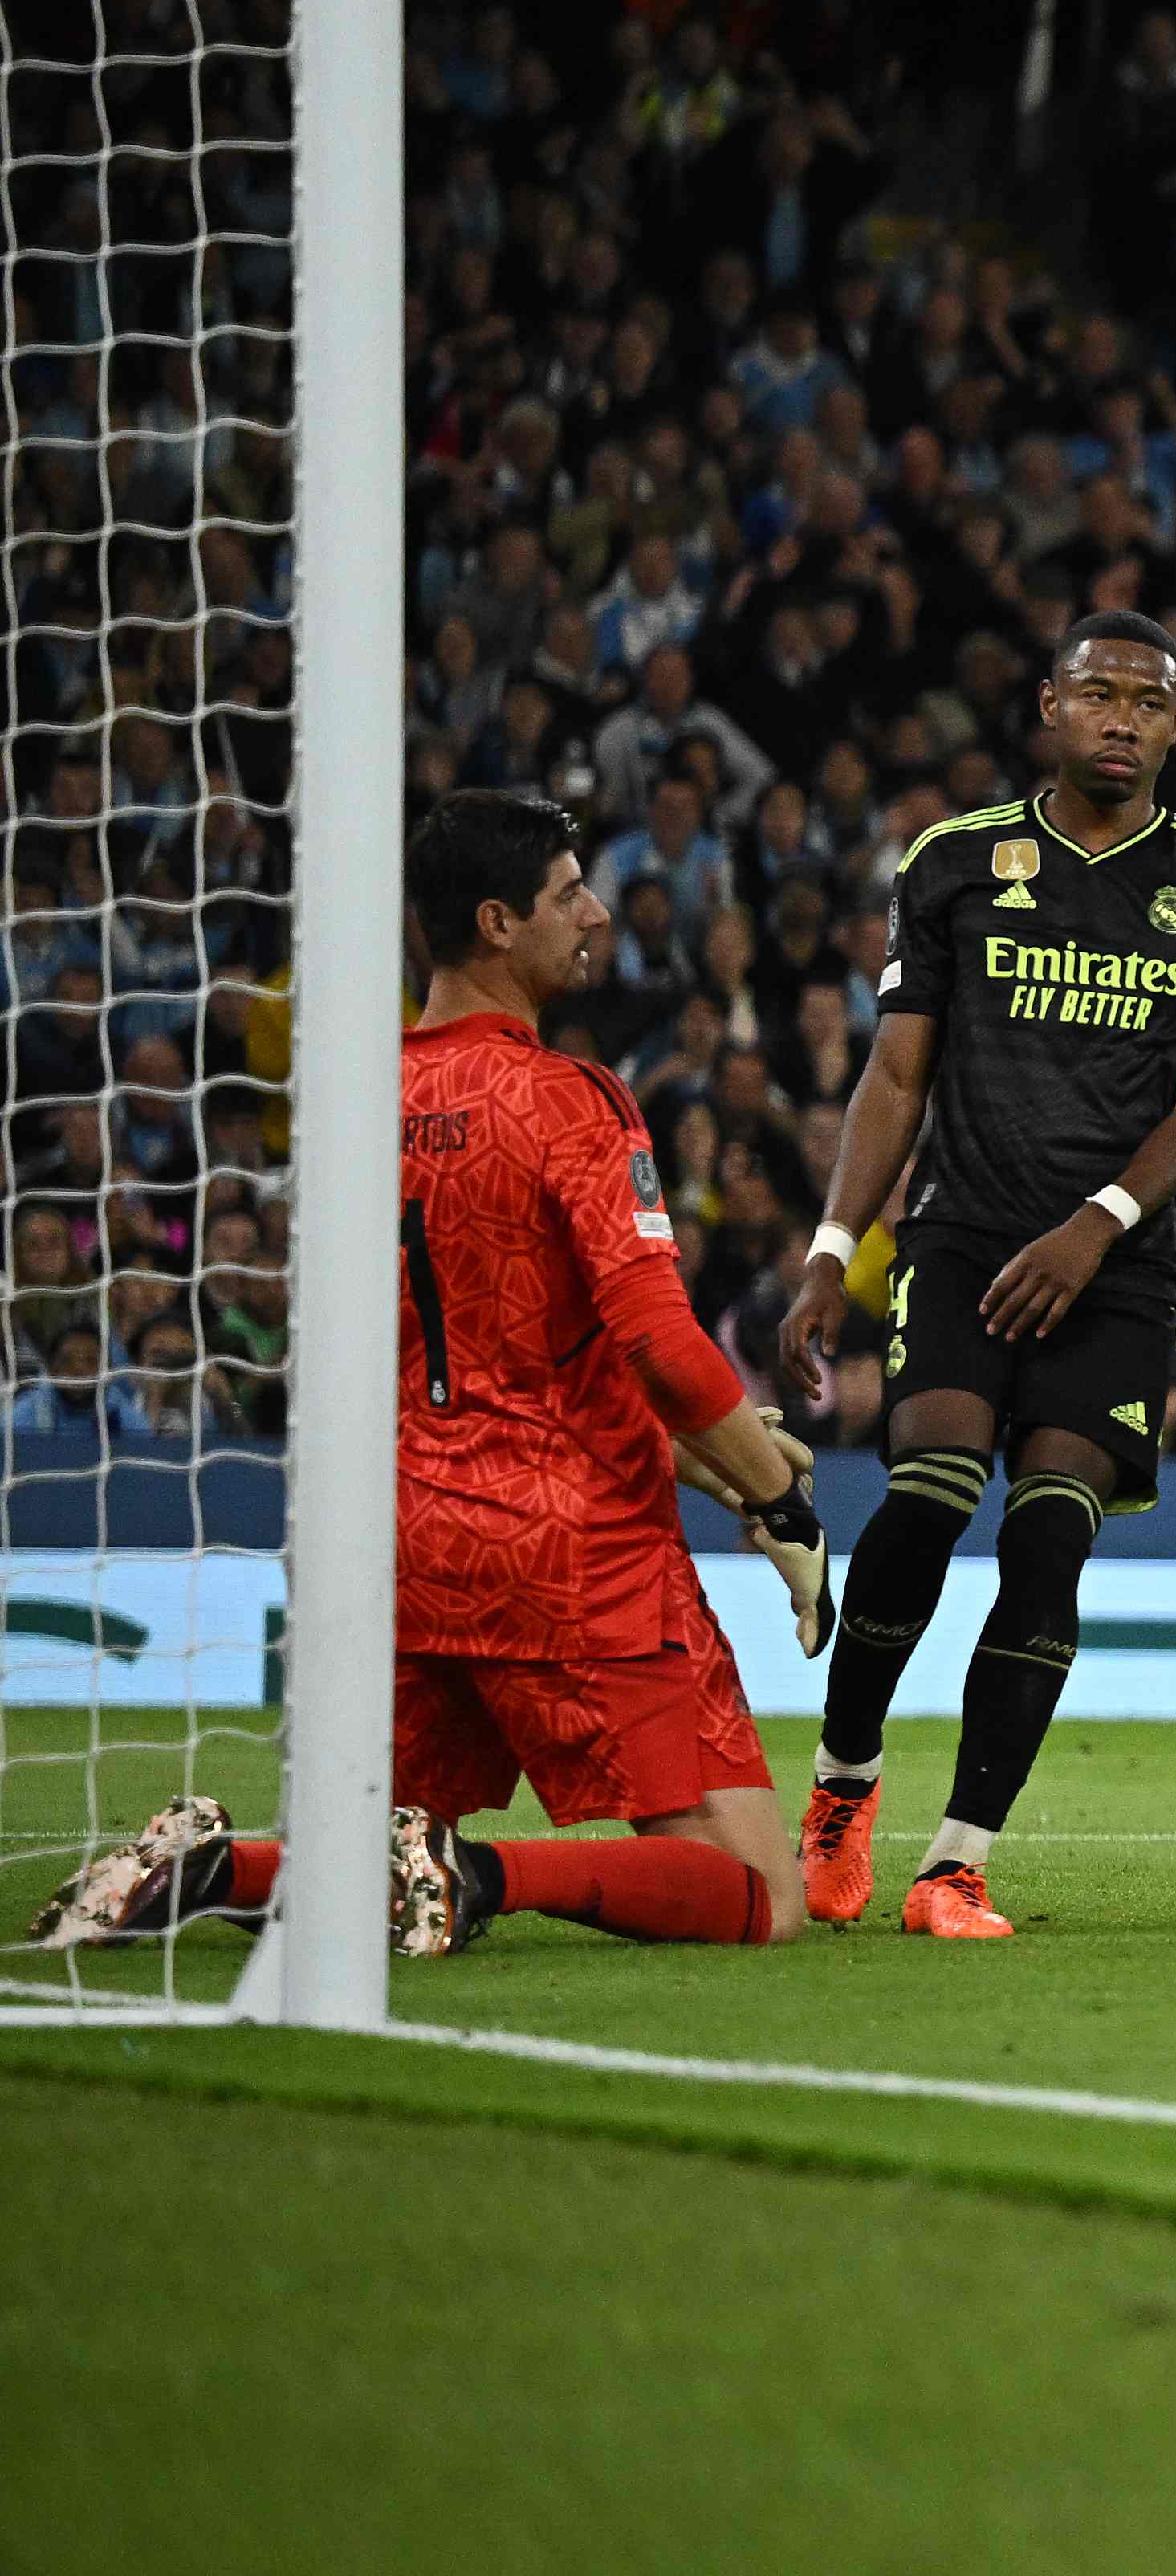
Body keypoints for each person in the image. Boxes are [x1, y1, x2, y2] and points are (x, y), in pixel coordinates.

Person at [35, 793, 825, 1959]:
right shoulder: (572, 1099)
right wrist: (776, 1498)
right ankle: (485, 1879)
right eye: (569, 895)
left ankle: (205, 1869)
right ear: (499, 922)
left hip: (412, 1542)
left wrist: (704, 1462)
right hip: (571, 1552)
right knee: (761, 1891)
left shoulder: (362, 1105)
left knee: (373, 1851)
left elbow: (465, 1367)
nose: (596, 913)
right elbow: (659, 1336)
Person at [776, 611, 1176, 1939]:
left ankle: (956, 1864)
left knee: (1052, 1531)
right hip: (960, 1235)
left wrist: (1098, 1226)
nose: (1121, 718)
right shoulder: (951, 864)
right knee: (932, 1489)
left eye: (1147, 702)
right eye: (1097, 694)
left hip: (1117, 1261)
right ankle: (843, 1782)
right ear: (1050, 707)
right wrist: (833, 1250)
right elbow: (897, 1074)